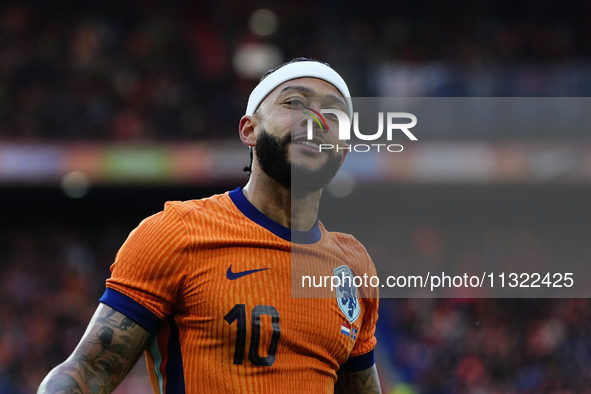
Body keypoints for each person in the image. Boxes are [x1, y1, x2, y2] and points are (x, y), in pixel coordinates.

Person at [37, 58, 381, 394]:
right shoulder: (177, 232)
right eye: (294, 103)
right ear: (249, 130)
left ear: (344, 149)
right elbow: (89, 372)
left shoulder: (353, 265)